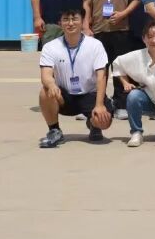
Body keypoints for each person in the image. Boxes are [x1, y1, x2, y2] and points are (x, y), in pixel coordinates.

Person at [38, 9, 112, 147]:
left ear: (82, 21)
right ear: (60, 23)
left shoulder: (95, 45)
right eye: (66, 19)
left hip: (89, 94)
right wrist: (52, 85)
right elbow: (46, 75)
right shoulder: (50, 47)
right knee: (45, 92)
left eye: (75, 19)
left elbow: (101, 76)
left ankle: (94, 125)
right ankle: (54, 130)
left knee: (104, 121)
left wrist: (99, 105)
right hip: (65, 97)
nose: (70, 23)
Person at [83, 0, 140, 117]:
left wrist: (123, 14)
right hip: (99, 30)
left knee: (120, 68)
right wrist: (86, 26)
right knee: (97, 70)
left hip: (121, 29)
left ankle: (120, 104)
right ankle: (93, 103)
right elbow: (86, 2)